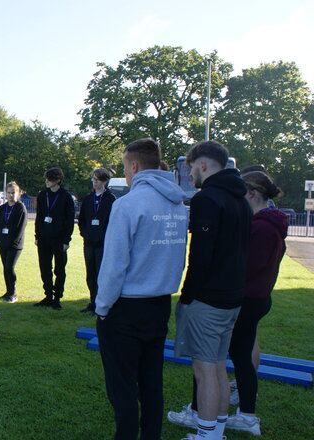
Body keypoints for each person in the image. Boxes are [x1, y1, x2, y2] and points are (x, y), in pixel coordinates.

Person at [168, 171, 287, 437]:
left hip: (245, 297)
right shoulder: (268, 224)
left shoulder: (261, 227)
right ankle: (234, 415)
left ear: (253, 194)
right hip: (254, 297)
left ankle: (220, 415)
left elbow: (244, 265)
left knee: (213, 362)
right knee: (227, 359)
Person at [95, 138, 188, 440]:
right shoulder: (178, 204)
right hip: (159, 304)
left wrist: (103, 307)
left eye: (124, 167)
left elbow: (114, 265)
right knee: (151, 382)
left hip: (126, 307)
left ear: (133, 165)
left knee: (122, 385)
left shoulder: (127, 204)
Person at [172, 140, 252, 440]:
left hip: (209, 299)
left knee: (205, 370)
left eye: (191, 167)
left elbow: (201, 256)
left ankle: (207, 435)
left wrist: (188, 295)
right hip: (232, 296)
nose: (190, 173)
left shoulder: (208, 198)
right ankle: (215, 430)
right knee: (218, 366)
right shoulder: (241, 200)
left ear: (203, 165)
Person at [33, 167, 76, 310]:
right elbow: (39, 217)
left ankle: (57, 298)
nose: (46, 181)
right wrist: (37, 236)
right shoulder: (42, 195)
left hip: (59, 239)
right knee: (45, 268)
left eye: (49, 179)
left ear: (57, 180)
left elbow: (70, 221)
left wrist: (66, 241)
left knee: (59, 269)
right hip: (44, 238)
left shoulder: (66, 197)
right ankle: (48, 296)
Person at [78, 167, 116, 315]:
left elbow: (113, 222)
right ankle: (92, 302)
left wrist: (103, 236)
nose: (94, 182)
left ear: (104, 181)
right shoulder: (88, 198)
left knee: (101, 275)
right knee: (90, 275)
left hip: (102, 244)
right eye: (93, 179)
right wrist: (85, 233)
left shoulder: (110, 199)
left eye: (97, 180)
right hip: (88, 242)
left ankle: (101, 304)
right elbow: (81, 219)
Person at [0, 181, 28, 303]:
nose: (11, 195)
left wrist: (12, 242)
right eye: (8, 193)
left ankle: (13, 293)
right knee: (5, 268)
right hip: (2, 243)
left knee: (9, 267)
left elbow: (20, 228)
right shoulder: (2, 208)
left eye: (13, 192)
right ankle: (7, 291)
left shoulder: (20, 208)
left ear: (18, 193)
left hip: (14, 245)